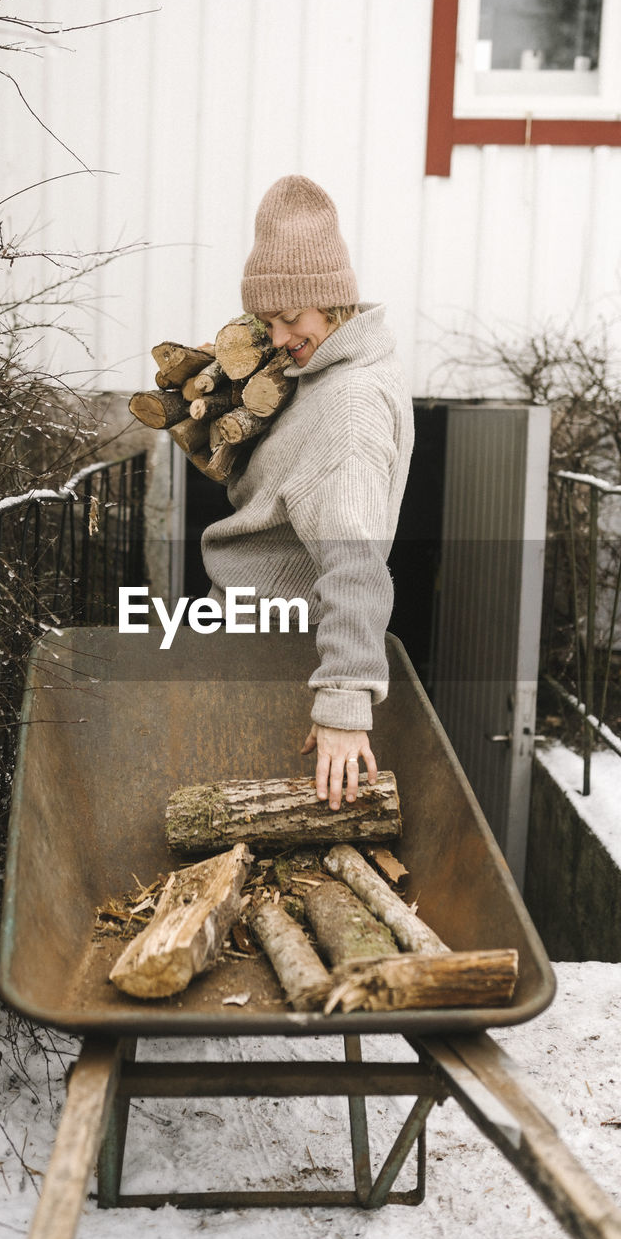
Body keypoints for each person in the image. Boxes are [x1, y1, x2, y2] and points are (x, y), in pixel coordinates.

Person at [201, 174, 414, 811]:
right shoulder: (321, 373)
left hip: (278, 656)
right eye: (266, 322)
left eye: (291, 317)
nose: (278, 337)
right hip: (250, 635)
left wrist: (345, 702)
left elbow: (355, 558)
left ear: (334, 302)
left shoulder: (348, 404)